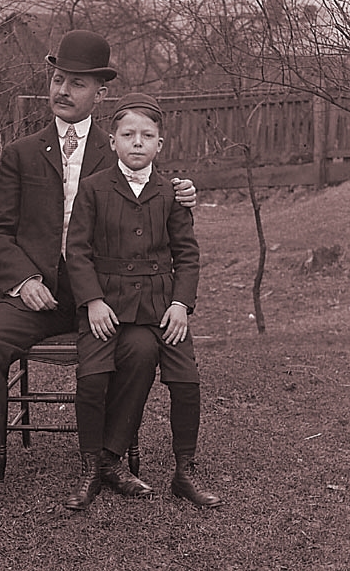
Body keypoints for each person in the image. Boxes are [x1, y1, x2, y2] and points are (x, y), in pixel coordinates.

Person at [0, 31, 197, 525]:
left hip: (104, 295)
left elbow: (157, 196)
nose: (62, 89)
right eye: (57, 78)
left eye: (76, 83)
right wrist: (22, 280)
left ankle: (108, 457)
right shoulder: (22, 153)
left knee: (140, 349)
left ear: (99, 94)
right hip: (36, 293)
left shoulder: (121, 150)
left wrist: (183, 190)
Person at [65, 93, 221, 510]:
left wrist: (180, 305)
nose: (137, 142)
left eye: (147, 135)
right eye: (128, 134)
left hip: (160, 304)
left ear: (160, 145)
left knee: (186, 381)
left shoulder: (171, 192)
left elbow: (186, 253)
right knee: (93, 376)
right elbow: (76, 252)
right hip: (108, 304)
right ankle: (92, 468)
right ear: (112, 141)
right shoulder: (94, 189)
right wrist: (93, 301)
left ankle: (184, 472)